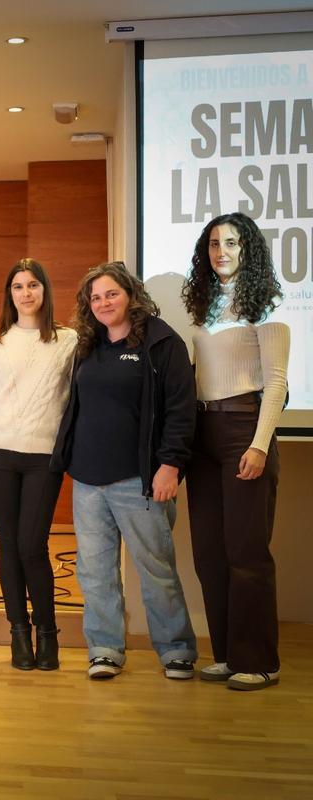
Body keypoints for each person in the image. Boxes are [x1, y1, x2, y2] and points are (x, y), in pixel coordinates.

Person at [51, 261, 198, 681]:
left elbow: (180, 410)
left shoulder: (162, 341)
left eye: (111, 294)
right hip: (88, 480)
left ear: (131, 295)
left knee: (156, 570)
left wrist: (169, 466)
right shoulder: (87, 344)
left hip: (141, 480)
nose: (103, 303)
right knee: (95, 571)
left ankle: (176, 650)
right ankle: (105, 649)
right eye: (94, 297)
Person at [182, 213, 289, 691]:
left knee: (246, 553)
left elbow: (277, 383)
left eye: (230, 242)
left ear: (248, 249)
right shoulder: (204, 307)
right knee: (209, 553)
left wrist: (260, 444)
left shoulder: (267, 305)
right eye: (212, 244)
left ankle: (260, 661)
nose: (220, 251)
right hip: (202, 432)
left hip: (245, 429)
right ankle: (227, 654)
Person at [0, 259, 76, 670]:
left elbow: (70, 403)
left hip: (43, 456)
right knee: (7, 544)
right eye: (17, 286)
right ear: (9, 294)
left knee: (32, 545)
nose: (26, 293)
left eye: (33, 285)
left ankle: (47, 631)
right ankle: (18, 632)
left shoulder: (69, 341)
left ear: (45, 290)